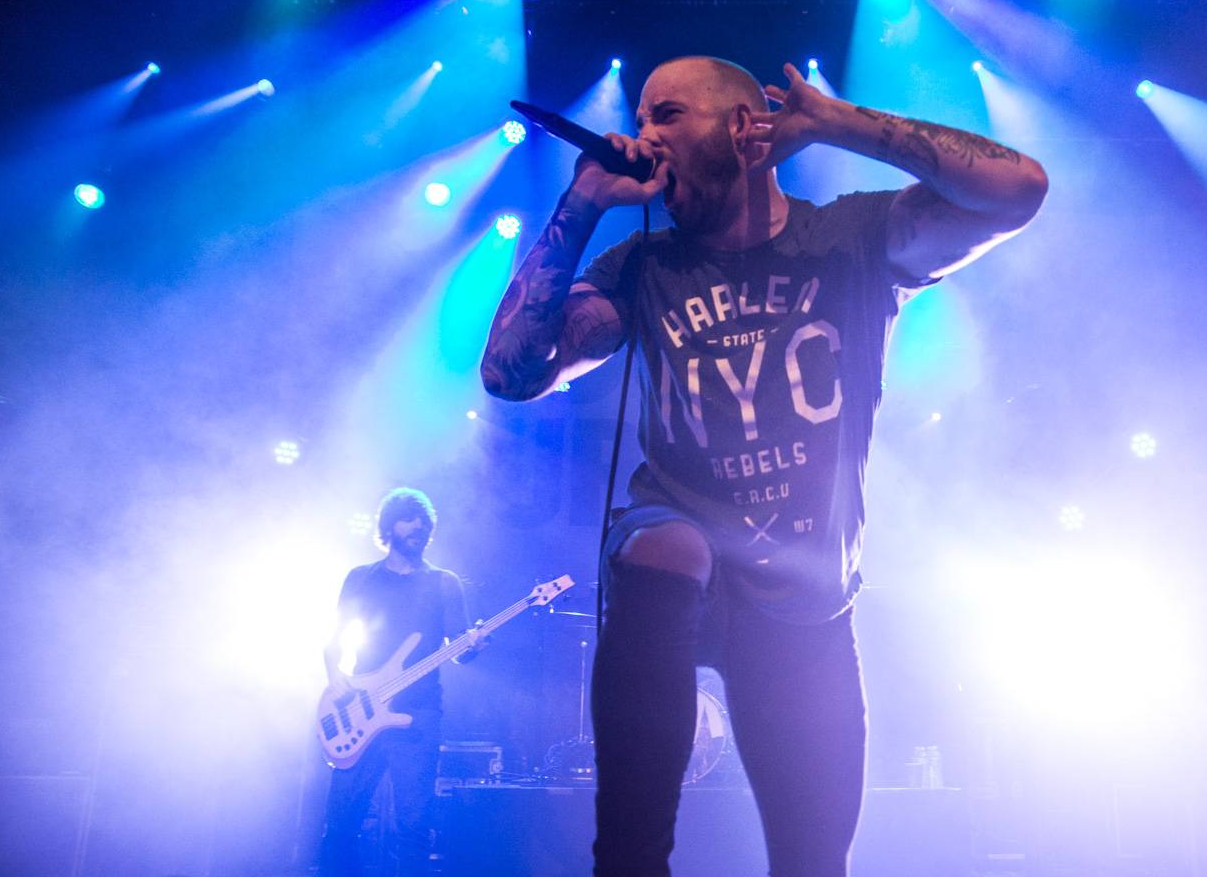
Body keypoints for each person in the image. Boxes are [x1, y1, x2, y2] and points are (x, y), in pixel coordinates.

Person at [481, 56, 1047, 876]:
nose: (643, 136)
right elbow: (509, 373)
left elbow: (1018, 190)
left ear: (743, 130)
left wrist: (841, 122)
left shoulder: (852, 240)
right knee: (667, 543)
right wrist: (580, 204)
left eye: (665, 115)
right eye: (641, 118)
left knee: (814, 860)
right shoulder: (644, 270)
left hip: (808, 596)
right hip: (675, 550)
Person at [318, 487, 471, 877]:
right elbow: (333, 641)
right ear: (389, 527)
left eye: (423, 521)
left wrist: (475, 645)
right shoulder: (361, 578)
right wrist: (335, 677)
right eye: (407, 519)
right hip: (359, 711)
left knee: (414, 827)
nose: (416, 527)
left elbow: (459, 649)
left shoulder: (443, 583)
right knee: (340, 825)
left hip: (418, 716)